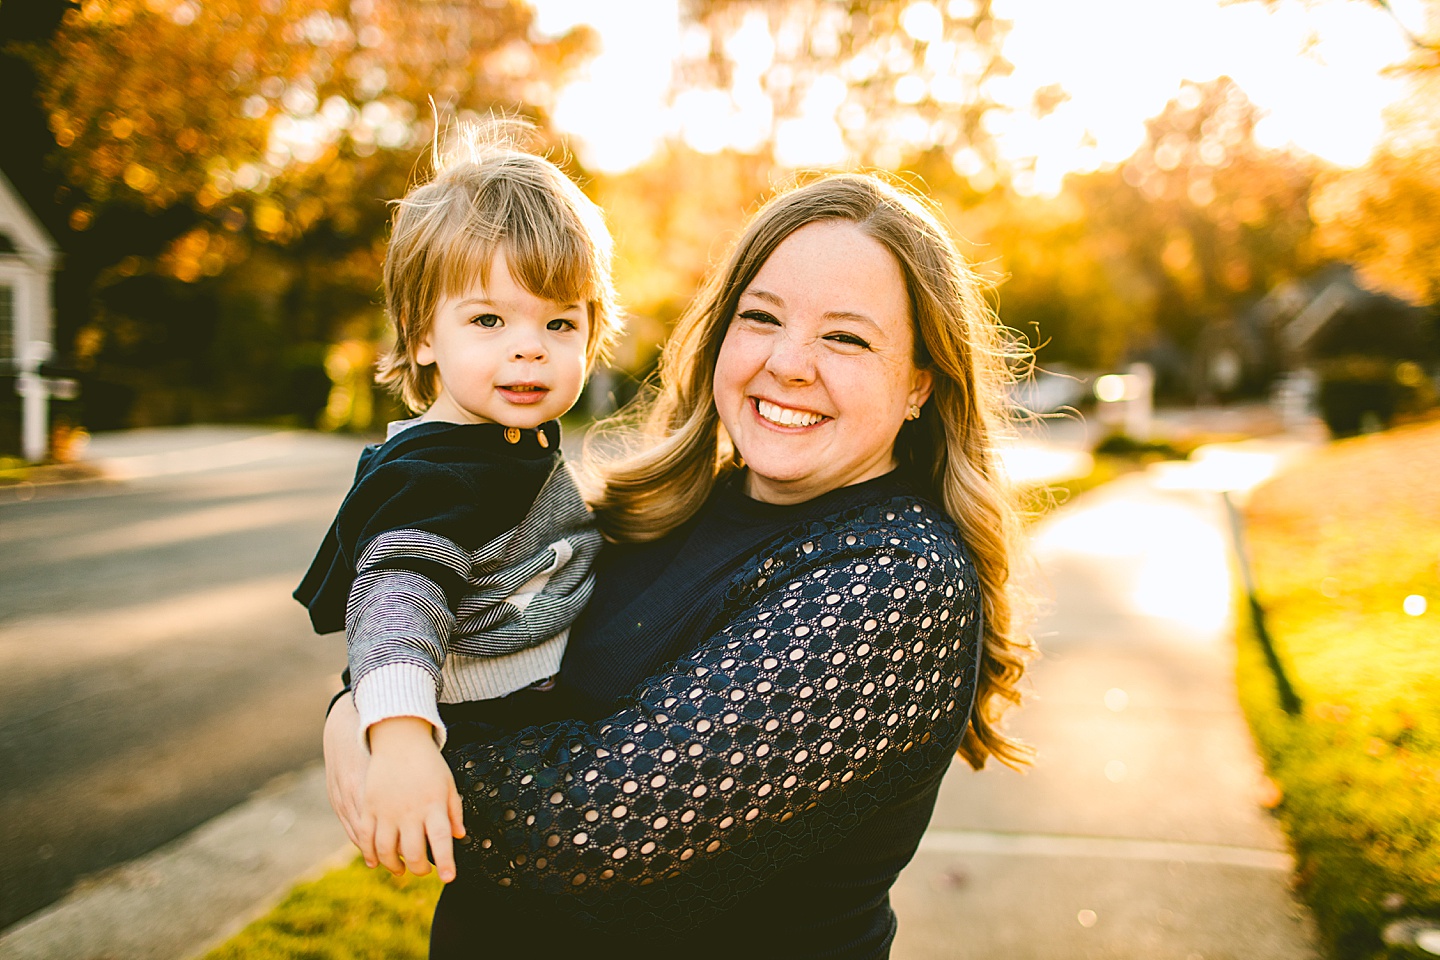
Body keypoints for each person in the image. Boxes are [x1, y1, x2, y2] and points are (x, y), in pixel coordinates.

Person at [325, 171, 1032, 958]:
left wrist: (386, 736)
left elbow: (594, 824)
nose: (790, 363)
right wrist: (370, 710)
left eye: (846, 337)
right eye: (760, 318)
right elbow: (454, 614)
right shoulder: (666, 509)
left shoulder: (899, 579)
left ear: (920, 386)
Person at [297, 122, 621, 885]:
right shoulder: (434, 476)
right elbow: (398, 602)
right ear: (422, 338)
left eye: (559, 322)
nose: (529, 346)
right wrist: (403, 735)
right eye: (488, 320)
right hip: (492, 722)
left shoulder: (501, 440)